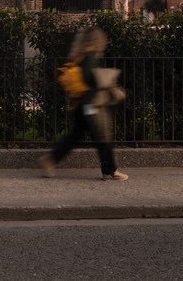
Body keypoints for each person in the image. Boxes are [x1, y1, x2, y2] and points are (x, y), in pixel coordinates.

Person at [37, 25, 128, 181]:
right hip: (91, 105)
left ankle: (51, 159)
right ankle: (110, 170)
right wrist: (104, 82)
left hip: (81, 104)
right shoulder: (90, 57)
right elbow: (88, 78)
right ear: (97, 41)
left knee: (76, 135)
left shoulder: (78, 56)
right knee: (102, 135)